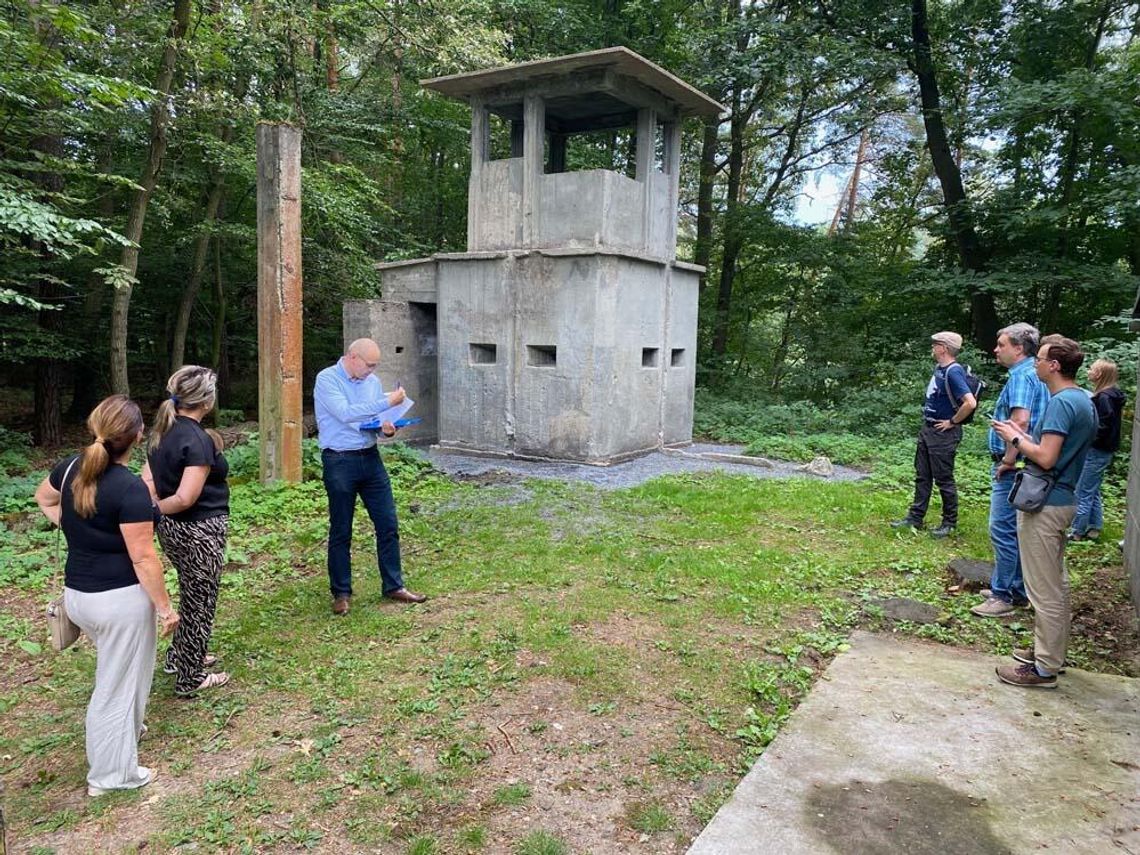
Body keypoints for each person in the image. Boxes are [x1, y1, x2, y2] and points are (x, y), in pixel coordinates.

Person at [34, 395, 180, 796]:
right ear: (137, 436)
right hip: (118, 601)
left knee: (126, 673)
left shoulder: (68, 470)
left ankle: (125, 737)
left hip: (79, 597)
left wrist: (75, 528)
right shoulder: (129, 490)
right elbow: (144, 558)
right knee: (115, 686)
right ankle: (111, 776)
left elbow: (42, 498)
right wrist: (166, 608)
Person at [992, 336, 1097, 687]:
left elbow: (1048, 457)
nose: (1034, 364)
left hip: (1047, 506)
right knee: (1056, 585)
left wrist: (1014, 436)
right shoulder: (1082, 398)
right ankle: (1049, 652)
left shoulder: (1062, 404)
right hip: (1062, 500)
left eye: (1039, 359)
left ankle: (1044, 669)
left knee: (1044, 590)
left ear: (1054, 366)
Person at [314, 338, 427, 615]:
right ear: (352, 358)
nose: (372, 371)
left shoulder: (372, 383)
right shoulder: (327, 379)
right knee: (342, 528)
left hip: (370, 458)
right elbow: (346, 414)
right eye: (369, 365)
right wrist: (388, 399)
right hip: (339, 459)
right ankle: (341, 592)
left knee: (387, 522)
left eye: (376, 366)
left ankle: (393, 585)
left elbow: (373, 422)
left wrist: (387, 428)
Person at [142, 366, 231, 696]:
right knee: (201, 601)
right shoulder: (196, 439)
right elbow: (184, 498)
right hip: (199, 530)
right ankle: (190, 677)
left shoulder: (163, 430)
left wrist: (154, 510)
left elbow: (150, 479)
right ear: (206, 401)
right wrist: (152, 509)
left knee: (191, 591)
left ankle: (180, 655)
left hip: (175, 531)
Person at [971, 323, 1052, 618]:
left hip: (1015, 465)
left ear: (1019, 348)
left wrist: (1007, 459)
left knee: (1002, 528)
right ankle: (1015, 588)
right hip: (1027, 462)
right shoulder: (1036, 373)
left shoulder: (1021, 376)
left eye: (1001, 344)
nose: (996, 349)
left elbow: (1020, 421)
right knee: (1015, 530)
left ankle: (1003, 595)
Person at [890, 331, 977, 538]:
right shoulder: (940, 368)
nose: (933, 347)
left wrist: (953, 421)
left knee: (944, 479)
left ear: (944, 348)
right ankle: (915, 518)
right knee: (923, 475)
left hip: (943, 434)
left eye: (935, 344)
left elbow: (970, 402)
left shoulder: (953, 372)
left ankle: (949, 523)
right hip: (929, 429)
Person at [1070, 359, 1124, 541]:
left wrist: (1088, 436)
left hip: (1096, 450)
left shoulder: (1104, 398)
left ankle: (1077, 531)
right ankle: (1094, 527)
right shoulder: (1112, 395)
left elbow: (1103, 425)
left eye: (1091, 369)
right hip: (1104, 450)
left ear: (1099, 374)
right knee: (1092, 489)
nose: (1088, 371)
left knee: (1082, 490)